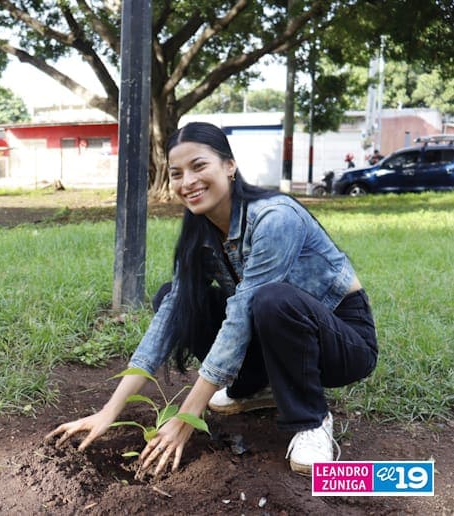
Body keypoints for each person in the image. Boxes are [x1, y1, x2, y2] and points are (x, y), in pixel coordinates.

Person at [46, 122, 377, 477]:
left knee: (271, 300)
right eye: (177, 173)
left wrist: (187, 417)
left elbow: (242, 314)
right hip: (273, 334)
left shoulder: (275, 217)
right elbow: (172, 317)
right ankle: (253, 387)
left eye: (199, 166)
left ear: (229, 166)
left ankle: (311, 418)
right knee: (176, 299)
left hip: (341, 341)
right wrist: (109, 410)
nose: (187, 181)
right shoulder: (202, 230)